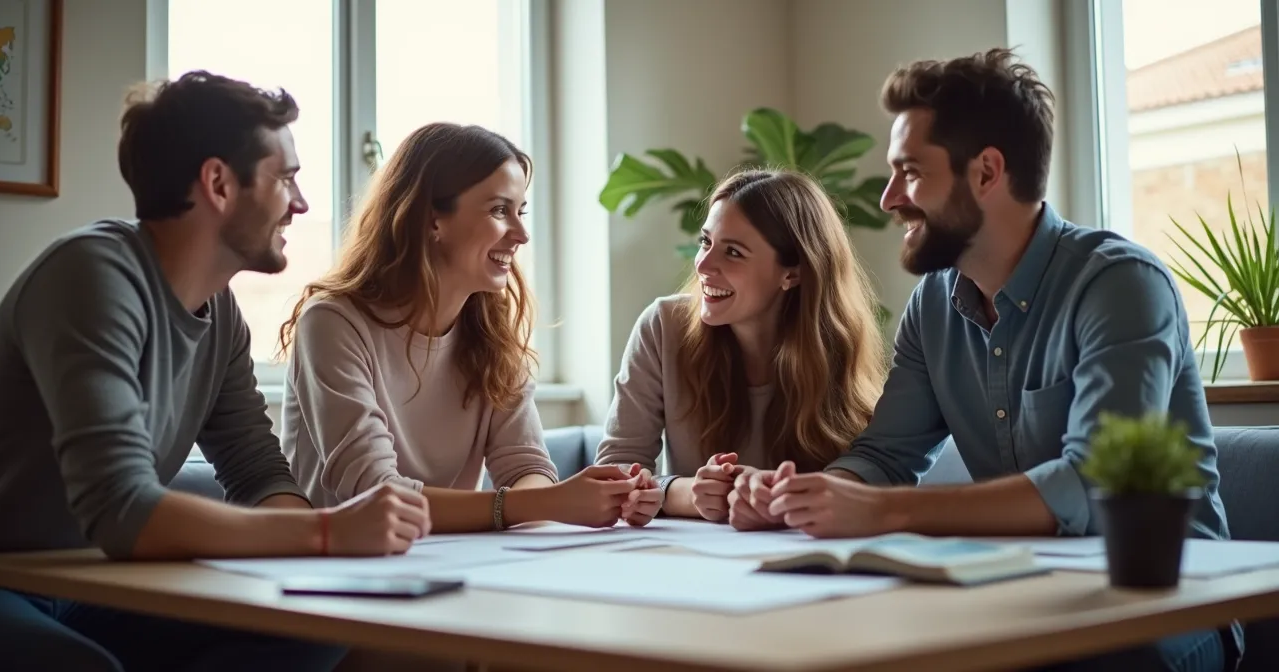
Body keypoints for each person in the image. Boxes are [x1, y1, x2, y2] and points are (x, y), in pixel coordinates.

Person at [756, 49, 1240, 672]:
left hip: (1169, 601)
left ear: (986, 172)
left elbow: (1093, 481)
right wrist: (810, 494)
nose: (888, 199)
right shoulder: (933, 303)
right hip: (1019, 589)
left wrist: (884, 510)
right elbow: (884, 455)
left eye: (909, 171)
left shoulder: (1120, 285)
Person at [0, 71, 434, 671]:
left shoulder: (221, 314)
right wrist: (327, 533)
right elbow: (122, 508)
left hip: (98, 584)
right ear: (217, 183)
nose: (302, 203)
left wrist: (330, 566)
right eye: (285, 177)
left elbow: (256, 471)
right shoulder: (90, 275)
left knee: (322, 627)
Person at [277, 122, 645, 534]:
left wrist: (555, 499)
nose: (521, 234)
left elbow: (526, 466)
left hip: (454, 565)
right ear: (433, 219)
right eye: (499, 210)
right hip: (342, 573)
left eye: (520, 211)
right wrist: (545, 502)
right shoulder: (332, 324)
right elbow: (375, 492)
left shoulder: (490, 332)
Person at [595, 168, 887, 529]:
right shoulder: (663, 326)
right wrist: (688, 494)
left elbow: (874, 479)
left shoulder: (839, 346)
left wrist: (771, 495)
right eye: (706, 242)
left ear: (792, 273)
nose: (703, 264)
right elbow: (615, 470)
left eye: (733, 252)